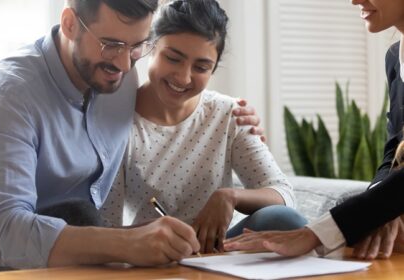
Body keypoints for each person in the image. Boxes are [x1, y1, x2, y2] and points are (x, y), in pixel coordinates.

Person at [0, 0, 262, 270]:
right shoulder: (10, 94)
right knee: (78, 213)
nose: (126, 65)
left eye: (138, 45)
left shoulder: (118, 76)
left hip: (89, 244)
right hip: (5, 259)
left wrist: (234, 114)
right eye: (112, 44)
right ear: (69, 24)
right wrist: (124, 242)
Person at [100, 0, 307, 254]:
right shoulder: (117, 122)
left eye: (201, 67)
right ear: (150, 48)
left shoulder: (230, 115)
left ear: (214, 68)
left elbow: (283, 195)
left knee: (285, 221)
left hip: (217, 252)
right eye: (173, 58)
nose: (183, 77)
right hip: (148, 253)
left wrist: (230, 196)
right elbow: (105, 225)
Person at [224, 0, 404, 260]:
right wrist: (383, 211)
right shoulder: (395, 58)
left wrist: (313, 234)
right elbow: (392, 154)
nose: (354, 1)